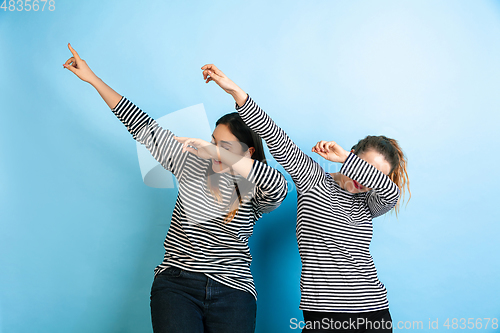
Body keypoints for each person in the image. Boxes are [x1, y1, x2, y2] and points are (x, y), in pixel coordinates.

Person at [63, 44, 288, 333]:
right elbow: (142, 126)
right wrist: (93, 79)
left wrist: (217, 153)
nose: (214, 151)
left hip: (234, 292)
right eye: (213, 142)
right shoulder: (191, 162)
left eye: (226, 147)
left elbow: (279, 186)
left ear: (250, 152)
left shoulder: (256, 187)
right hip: (177, 286)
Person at [201, 64, 411, 333]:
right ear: (355, 153)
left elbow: (390, 193)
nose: (363, 181)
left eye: (372, 176)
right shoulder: (314, 179)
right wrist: (236, 93)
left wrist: (346, 159)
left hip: (372, 313)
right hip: (321, 315)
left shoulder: (371, 203)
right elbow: (278, 140)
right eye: (363, 166)